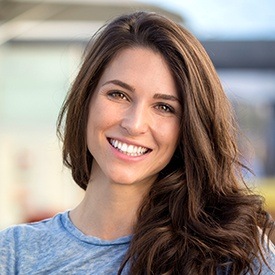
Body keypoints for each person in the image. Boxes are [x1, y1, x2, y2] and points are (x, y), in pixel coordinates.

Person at [0, 11, 274, 275]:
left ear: (188, 127)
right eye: (118, 94)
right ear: (86, 98)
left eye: (164, 107)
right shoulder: (14, 253)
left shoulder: (232, 254)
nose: (134, 124)